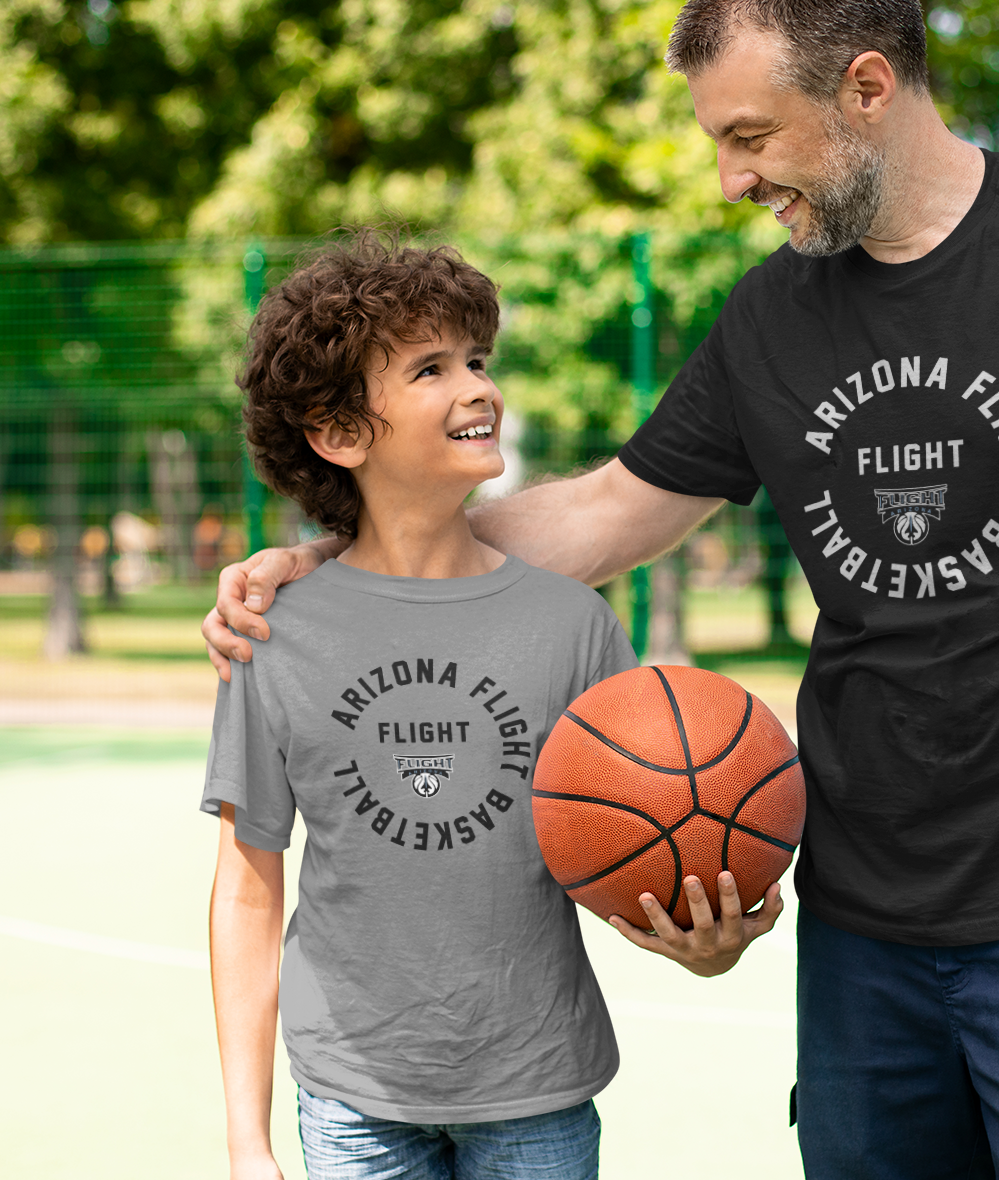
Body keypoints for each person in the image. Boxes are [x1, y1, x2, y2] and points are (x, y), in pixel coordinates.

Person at [205, 0, 999, 1180]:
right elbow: (604, 512)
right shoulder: (773, 314)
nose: (731, 181)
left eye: (750, 136)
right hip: (859, 921)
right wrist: (349, 556)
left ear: (866, 87)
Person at [203, 233, 783, 1180]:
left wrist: (705, 946)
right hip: (351, 1093)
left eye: (477, 359)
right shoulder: (275, 632)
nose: (478, 387)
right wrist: (244, 1138)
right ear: (338, 432)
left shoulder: (573, 623)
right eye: (430, 369)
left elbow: (644, 829)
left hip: (538, 1086)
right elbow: (245, 889)